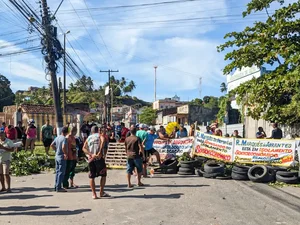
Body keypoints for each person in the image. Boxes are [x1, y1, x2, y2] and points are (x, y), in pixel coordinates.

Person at [83, 126, 110, 199]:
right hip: (99, 158)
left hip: (91, 159)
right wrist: (99, 152)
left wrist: (90, 154)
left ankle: (94, 194)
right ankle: (101, 192)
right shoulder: (99, 136)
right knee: (103, 175)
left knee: (92, 176)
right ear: (98, 130)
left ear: (91, 131)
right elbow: (103, 140)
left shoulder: (88, 138)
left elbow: (84, 148)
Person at [51, 127, 69, 192]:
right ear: (66, 132)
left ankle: (56, 186)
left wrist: (56, 150)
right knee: (61, 172)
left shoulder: (57, 137)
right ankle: (59, 187)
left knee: (57, 172)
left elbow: (52, 145)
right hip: (62, 157)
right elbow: (63, 147)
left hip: (57, 156)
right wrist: (65, 153)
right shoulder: (64, 139)